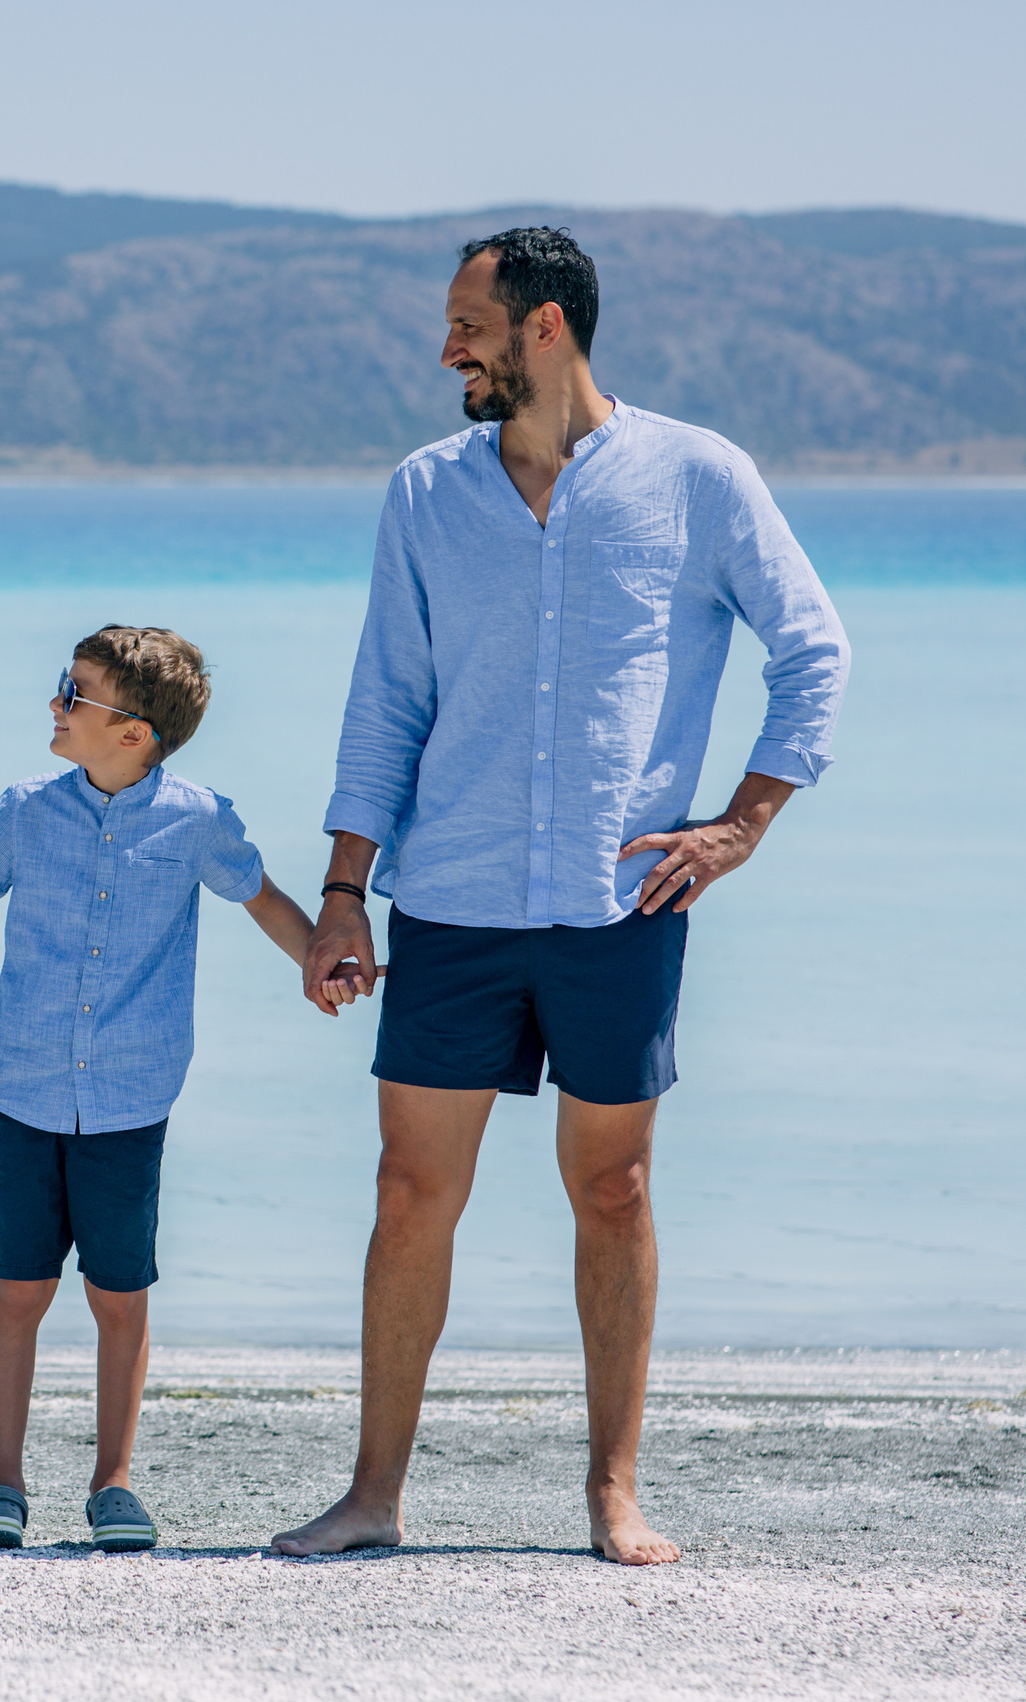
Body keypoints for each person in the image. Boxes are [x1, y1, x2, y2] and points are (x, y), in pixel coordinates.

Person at [272, 228, 849, 1566]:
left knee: (616, 1189)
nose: (446, 350)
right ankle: (372, 1495)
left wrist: (740, 827)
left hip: (619, 904)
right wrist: (346, 888)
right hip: (455, 898)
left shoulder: (701, 477)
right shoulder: (426, 492)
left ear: (543, 328)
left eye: (467, 324)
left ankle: (612, 1492)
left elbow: (812, 650)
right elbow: (386, 704)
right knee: (411, 1189)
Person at [0, 627, 348, 1552]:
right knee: (18, 1290)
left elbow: (264, 899)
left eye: (74, 691)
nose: (55, 702)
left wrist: (321, 960)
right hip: (22, 1089)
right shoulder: (23, 811)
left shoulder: (200, 818)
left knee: (119, 1295)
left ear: (132, 730)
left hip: (132, 1098)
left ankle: (114, 1483)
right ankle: (2, 1483)